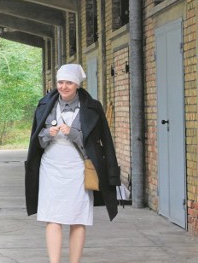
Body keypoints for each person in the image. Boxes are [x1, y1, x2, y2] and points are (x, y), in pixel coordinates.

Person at [25, 64, 121, 263]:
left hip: (78, 167)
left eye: (69, 82)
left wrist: (74, 133)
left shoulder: (93, 107)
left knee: (77, 217)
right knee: (52, 216)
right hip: (50, 167)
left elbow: (103, 142)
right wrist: (46, 134)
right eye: (60, 82)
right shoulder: (45, 105)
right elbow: (36, 140)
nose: (63, 86)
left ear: (77, 84)